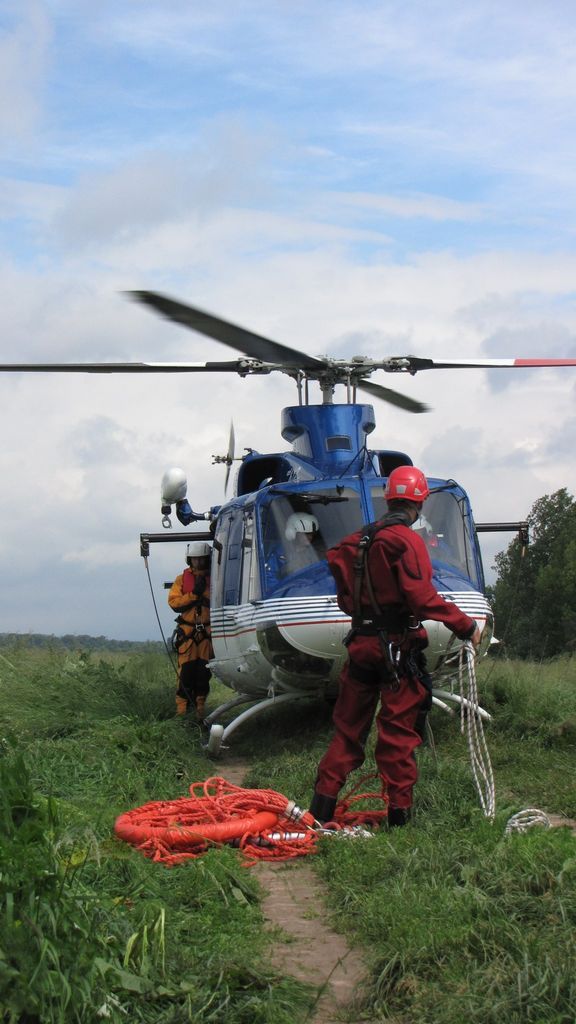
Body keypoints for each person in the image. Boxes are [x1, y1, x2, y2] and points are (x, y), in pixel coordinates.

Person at [309, 465, 481, 829]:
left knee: (348, 731)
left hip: (361, 647)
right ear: (419, 501)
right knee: (398, 734)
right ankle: (399, 816)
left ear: (389, 498)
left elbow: (345, 600)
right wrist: (464, 625)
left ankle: (320, 810)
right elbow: (422, 598)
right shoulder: (405, 541)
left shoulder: (354, 543)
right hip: (398, 650)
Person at [168, 540, 213, 719]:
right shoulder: (181, 580)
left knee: (203, 675)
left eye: (202, 559)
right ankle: (181, 714)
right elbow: (174, 602)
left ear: (208, 559)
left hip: (206, 635)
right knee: (185, 675)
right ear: (189, 560)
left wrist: (204, 594)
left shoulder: (216, 579)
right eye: (195, 560)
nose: (198, 563)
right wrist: (194, 594)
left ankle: (199, 713)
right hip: (187, 634)